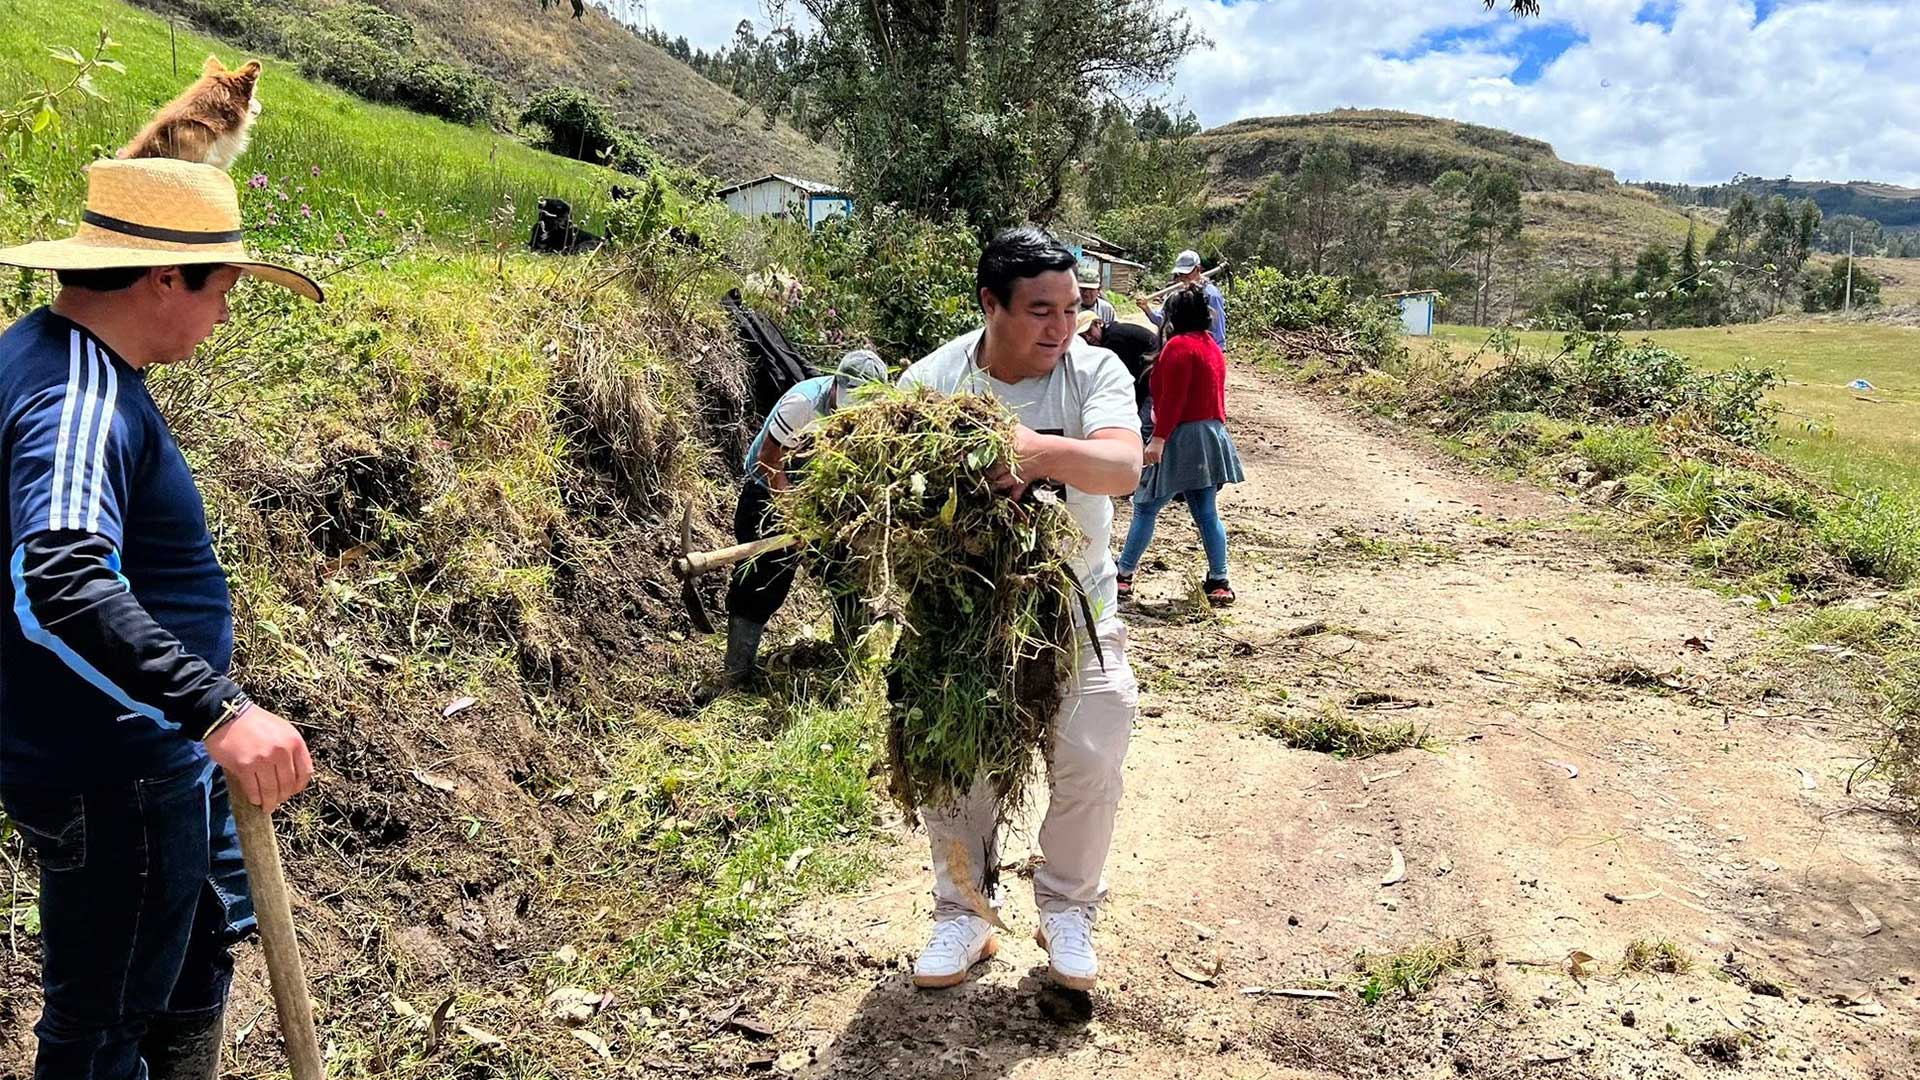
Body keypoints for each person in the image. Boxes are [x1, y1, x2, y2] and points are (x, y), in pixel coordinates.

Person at [0, 157, 321, 1080]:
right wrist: (217, 712)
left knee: (188, 963)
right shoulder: (78, 397)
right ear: (164, 276)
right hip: (118, 773)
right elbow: (60, 580)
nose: (226, 311)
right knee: (99, 1033)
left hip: (155, 759)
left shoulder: (47, 358)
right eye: (221, 286)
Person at [898, 227, 1143, 993]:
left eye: (1072, 308)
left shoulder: (1095, 370)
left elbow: (1121, 467)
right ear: (989, 305)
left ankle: (1068, 908)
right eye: (1041, 310)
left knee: (1095, 751)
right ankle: (963, 913)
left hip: (1077, 606)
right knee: (956, 763)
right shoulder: (933, 381)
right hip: (963, 613)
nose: (1060, 327)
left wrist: (1028, 452)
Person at [719, 348, 890, 685]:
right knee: (762, 579)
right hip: (769, 490)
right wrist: (791, 512)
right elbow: (768, 459)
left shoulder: (880, 415)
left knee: (849, 572)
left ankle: (849, 668)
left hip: (821, 495)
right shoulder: (804, 404)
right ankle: (736, 675)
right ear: (836, 386)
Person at [1115, 284, 1245, 607]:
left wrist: (1157, 439)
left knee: (1145, 505)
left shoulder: (1177, 348)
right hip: (1211, 437)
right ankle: (1219, 580)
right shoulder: (1211, 346)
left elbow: (1173, 399)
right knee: (1205, 512)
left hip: (1181, 436)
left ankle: (1123, 575)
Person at [1078, 310, 1160, 441]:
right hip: (1148, 374)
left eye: (1089, 332)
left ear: (1099, 324)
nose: (1088, 338)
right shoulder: (1112, 335)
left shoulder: (1114, 339)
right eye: (1083, 336)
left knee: (1143, 426)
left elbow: (1125, 378)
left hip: (1155, 374)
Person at [1137, 248, 1226, 349]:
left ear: (1198, 269)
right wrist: (1146, 308)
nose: (1183, 277)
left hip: (1201, 352)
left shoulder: (1211, 295)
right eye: (1180, 273)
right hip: (1178, 350)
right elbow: (1163, 321)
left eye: (1186, 273)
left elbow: (1218, 336)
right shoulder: (1175, 294)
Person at [1076, 264, 1116, 328]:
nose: (1086, 293)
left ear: (1098, 290)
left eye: (1091, 289)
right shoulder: (1070, 309)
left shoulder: (1107, 309)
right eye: (1083, 289)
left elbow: (1114, 332)